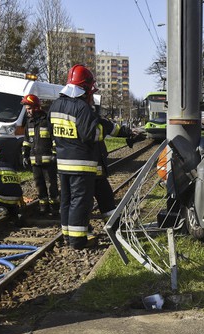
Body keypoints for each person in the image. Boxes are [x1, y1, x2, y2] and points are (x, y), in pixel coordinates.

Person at [50, 64, 142, 249]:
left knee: (67, 200)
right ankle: (78, 240)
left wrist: (122, 131)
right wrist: (103, 128)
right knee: (80, 201)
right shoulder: (82, 108)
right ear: (85, 88)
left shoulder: (56, 105)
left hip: (63, 163)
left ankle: (68, 235)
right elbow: (92, 134)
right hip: (82, 164)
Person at [20, 94, 58, 217]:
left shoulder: (46, 121)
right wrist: (25, 155)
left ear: (36, 107)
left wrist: (54, 154)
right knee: (39, 185)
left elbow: (54, 139)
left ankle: (55, 208)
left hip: (48, 161)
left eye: (29, 108)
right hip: (35, 161)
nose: (28, 111)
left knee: (51, 185)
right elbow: (26, 141)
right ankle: (44, 207)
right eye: (26, 109)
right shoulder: (29, 123)